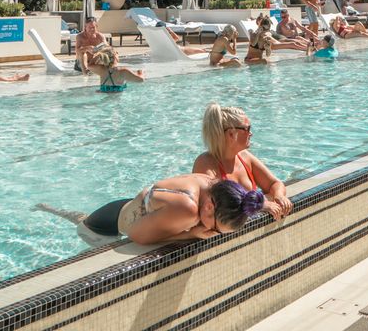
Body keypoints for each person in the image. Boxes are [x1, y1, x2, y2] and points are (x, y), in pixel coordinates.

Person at [39, 174, 264, 246]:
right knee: (81, 224)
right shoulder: (187, 209)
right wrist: (191, 234)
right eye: (215, 227)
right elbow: (137, 237)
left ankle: (47, 207)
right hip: (104, 229)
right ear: (209, 206)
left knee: (75, 216)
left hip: (119, 208)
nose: (213, 233)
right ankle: (46, 208)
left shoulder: (212, 185)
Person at [193, 103, 293, 219]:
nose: (251, 133)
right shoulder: (206, 164)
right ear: (231, 134)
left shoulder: (245, 158)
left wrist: (279, 196)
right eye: (247, 129)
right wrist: (261, 205)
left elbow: (274, 184)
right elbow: (216, 206)